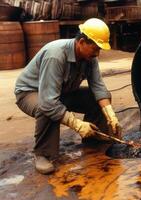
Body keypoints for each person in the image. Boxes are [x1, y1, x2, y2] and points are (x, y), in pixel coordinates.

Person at [14, 18, 122, 174]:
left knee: (98, 98)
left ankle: (94, 138)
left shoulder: (89, 58)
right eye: (95, 49)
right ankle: (43, 155)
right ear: (82, 42)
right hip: (30, 93)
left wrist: (110, 114)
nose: (97, 53)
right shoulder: (56, 55)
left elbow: (98, 87)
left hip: (60, 92)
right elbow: (48, 101)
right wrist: (77, 124)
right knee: (46, 108)